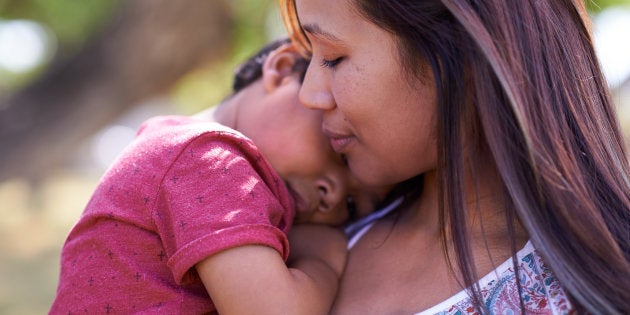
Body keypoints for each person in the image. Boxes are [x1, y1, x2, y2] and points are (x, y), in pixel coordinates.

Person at [279, 0, 630, 314]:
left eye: (333, 57)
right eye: (310, 58)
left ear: (462, 51)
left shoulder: (589, 292)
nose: (310, 95)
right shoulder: (303, 236)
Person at [50, 38, 388, 314]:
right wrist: (322, 259)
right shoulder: (208, 159)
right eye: (337, 150)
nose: (331, 194)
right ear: (284, 70)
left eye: (351, 203)